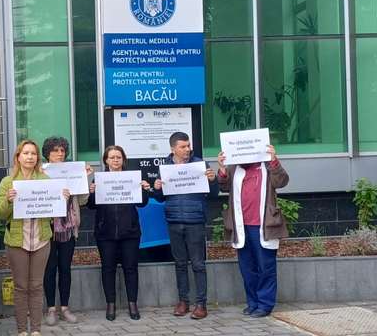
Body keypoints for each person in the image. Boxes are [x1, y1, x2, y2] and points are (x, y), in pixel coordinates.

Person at [0, 140, 68, 336]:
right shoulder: (8, 182)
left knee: (36, 287)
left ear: (37, 158)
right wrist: (9, 201)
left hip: (41, 240)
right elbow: (0, 214)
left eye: (33, 154)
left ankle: (36, 331)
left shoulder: (46, 180)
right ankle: (21, 332)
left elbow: (54, 212)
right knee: (21, 287)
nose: (30, 157)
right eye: (26, 153)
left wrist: (61, 199)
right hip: (17, 241)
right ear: (18, 157)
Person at [152, 132, 219, 320]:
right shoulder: (165, 168)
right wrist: (156, 188)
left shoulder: (200, 165)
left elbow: (214, 194)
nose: (188, 149)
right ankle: (183, 302)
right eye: (183, 146)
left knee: (198, 264)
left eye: (188, 145)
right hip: (174, 220)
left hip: (195, 220)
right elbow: (160, 198)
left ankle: (201, 304)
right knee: (180, 263)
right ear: (173, 148)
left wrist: (212, 180)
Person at [217, 145, 289, 318]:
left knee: (265, 267)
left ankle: (265, 305)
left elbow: (282, 181)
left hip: (264, 225)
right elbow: (224, 187)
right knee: (247, 268)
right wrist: (222, 168)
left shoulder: (267, 166)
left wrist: (273, 160)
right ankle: (253, 303)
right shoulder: (234, 168)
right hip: (241, 226)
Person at [87, 145, 151, 321]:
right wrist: (91, 192)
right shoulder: (99, 179)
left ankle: (132, 303)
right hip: (105, 233)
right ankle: (111, 304)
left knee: (131, 268)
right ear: (106, 160)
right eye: (112, 157)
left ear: (123, 160)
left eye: (118, 157)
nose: (115, 160)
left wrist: (145, 190)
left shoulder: (132, 179)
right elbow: (91, 205)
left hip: (130, 232)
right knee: (108, 268)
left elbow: (142, 203)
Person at [41, 136, 91, 325]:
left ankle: (65, 308)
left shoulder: (72, 172)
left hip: (68, 228)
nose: (60, 154)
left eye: (62, 150)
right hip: (47, 226)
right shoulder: (40, 172)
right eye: (55, 150)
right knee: (49, 268)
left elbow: (83, 201)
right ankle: (51, 309)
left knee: (65, 268)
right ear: (47, 153)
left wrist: (84, 179)